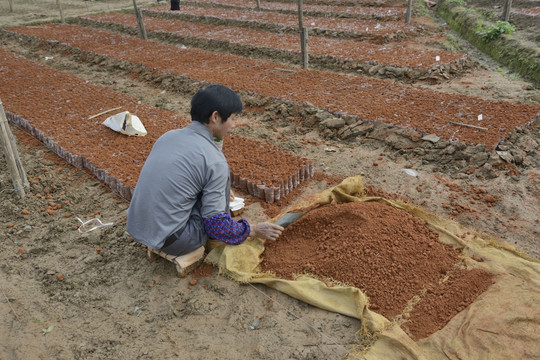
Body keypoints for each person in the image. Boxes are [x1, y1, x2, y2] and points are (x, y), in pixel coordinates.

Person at [126, 84, 284, 275]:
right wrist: (253, 230)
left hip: (137, 224)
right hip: (173, 241)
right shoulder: (214, 161)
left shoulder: (168, 136)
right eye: (233, 118)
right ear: (215, 117)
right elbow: (218, 227)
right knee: (217, 214)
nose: (234, 125)